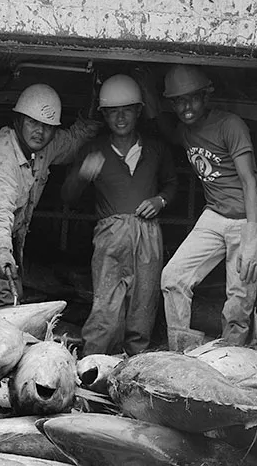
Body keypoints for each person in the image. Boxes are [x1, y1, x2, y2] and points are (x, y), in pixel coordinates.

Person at [0, 84, 97, 308]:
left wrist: (94, 111)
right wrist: (2, 250)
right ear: (18, 121)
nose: (40, 132)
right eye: (33, 122)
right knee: (3, 299)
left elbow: (73, 142)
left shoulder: (43, 147)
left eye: (47, 126)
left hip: (0, 235)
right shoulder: (0, 158)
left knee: (15, 295)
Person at [150, 64, 257, 351]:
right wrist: (146, 91)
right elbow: (166, 130)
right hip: (215, 213)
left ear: (206, 96)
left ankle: (231, 358)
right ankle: (182, 352)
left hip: (250, 217)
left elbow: (249, 181)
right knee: (173, 278)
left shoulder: (230, 125)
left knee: (238, 301)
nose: (186, 107)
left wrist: (253, 240)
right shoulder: (185, 130)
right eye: (178, 101)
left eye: (192, 98)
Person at [59, 74, 177, 354]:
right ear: (104, 115)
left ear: (138, 111)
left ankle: (134, 364)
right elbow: (67, 196)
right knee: (106, 306)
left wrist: (160, 200)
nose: (120, 118)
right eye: (113, 112)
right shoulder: (94, 148)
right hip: (111, 235)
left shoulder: (156, 148)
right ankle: (93, 361)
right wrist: (82, 174)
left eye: (127, 110)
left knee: (144, 304)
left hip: (148, 231)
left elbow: (172, 184)